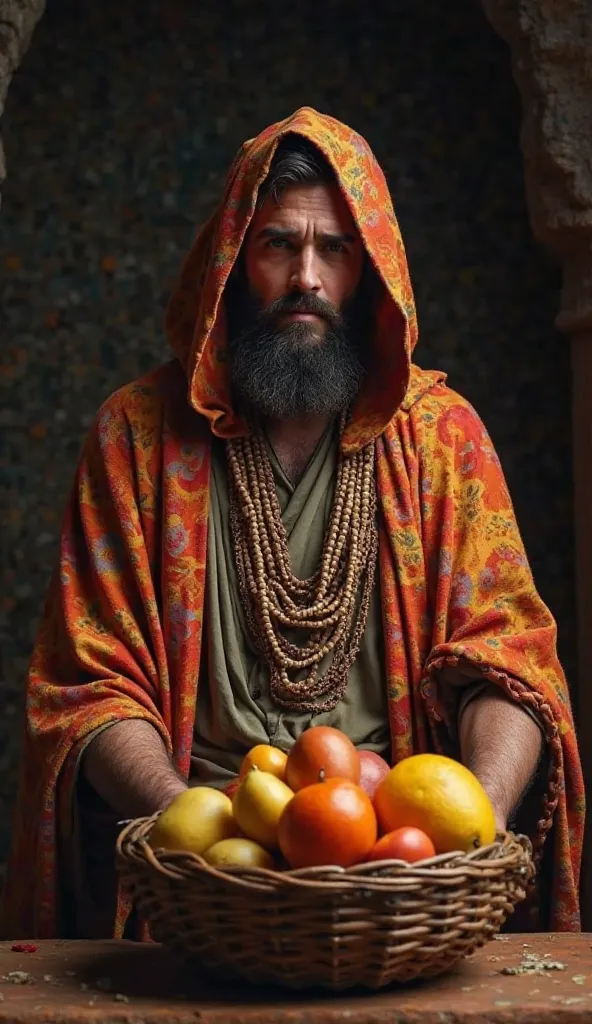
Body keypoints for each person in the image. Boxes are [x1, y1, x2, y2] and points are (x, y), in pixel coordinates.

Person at [2, 107, 584, 940]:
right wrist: (194, 829)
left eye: (333, 249)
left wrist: (470, 828)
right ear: (235, 264)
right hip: (193, 880)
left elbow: (509, 661)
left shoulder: (441, 437)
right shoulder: (135, 436)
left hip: (396, 867)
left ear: (367, 271)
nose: (306, 275)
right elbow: (88, 690)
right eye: (279, 245)